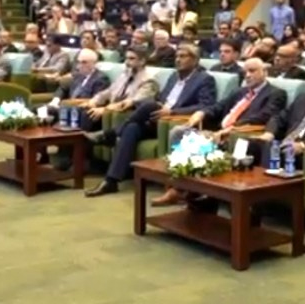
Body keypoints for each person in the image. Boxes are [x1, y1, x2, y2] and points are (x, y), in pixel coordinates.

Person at [84, 44, 217, 197]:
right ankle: (111, 181)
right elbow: (161, 98)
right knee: (132, 127)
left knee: (148, 107)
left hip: (172, 121)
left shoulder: (204, 79)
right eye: (177, 56)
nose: (178, 60)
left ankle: (111, 134)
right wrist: (159, 106)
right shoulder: (174, 76)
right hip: (156, 120)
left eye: (183, 56)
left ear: (194, 60)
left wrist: (172, 111)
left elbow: (205, 105)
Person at [153, 58, 287, 206]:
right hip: (218, 130)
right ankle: (179, 187)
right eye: (245, 72)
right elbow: (219, 106)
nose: (248, 75)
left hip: (239, 135)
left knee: (199, 144)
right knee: (179, 132)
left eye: (252, 71)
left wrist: (231, 128)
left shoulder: (276, 93)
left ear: (265, 72)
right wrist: (202, 113)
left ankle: (186, 192)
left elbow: (264, 116)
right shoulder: (240, 91)